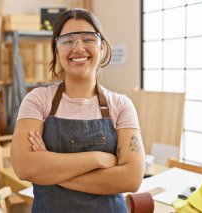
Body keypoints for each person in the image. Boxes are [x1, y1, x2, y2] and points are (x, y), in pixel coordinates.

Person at [11, 8, 145, 213]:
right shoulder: (37, 100)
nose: (78, 47)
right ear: (57, 51)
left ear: (102, 48)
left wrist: (50, 169)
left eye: (88, 39)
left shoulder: (121, 105)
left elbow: (132, 178)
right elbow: (24, 167)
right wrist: (99, 159)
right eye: (67, 40)